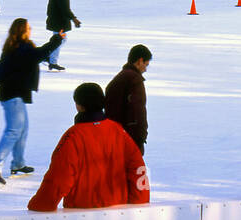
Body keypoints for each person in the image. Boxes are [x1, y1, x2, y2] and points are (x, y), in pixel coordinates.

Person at [27, 82, 150, 211]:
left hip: (81, 214)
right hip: (117, 213)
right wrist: (140, 204)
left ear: (79, 106)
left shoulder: (73, 136)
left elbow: (60, 176)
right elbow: (137, 166)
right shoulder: (119, 131)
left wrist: (41, 204)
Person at [0, 18, 65, 185]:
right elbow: (39, 55)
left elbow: (37, 55)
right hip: (13, 95)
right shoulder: (22, 48)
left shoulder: (16, 47)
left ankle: (18, 164)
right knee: (14, 131)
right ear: (22, 31)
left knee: (22, 129)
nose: (31, 29)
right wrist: (56, 39)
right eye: (28, 27)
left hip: (14, 94)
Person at [105, 44, 152, 155]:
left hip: (114, 135)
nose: (145, 69)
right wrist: (141, 136)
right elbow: (138, 109)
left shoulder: (121, 77)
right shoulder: (134, 80)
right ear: (140, 61)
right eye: (146, 64)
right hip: (129, 138)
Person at [44, 0, 80, 70]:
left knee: (60, 39)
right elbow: (64, 8)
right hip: (57, 21)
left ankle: (49, 56)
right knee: (59, 40)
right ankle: (51, 60)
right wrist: (74, 19)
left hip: (59, 20)